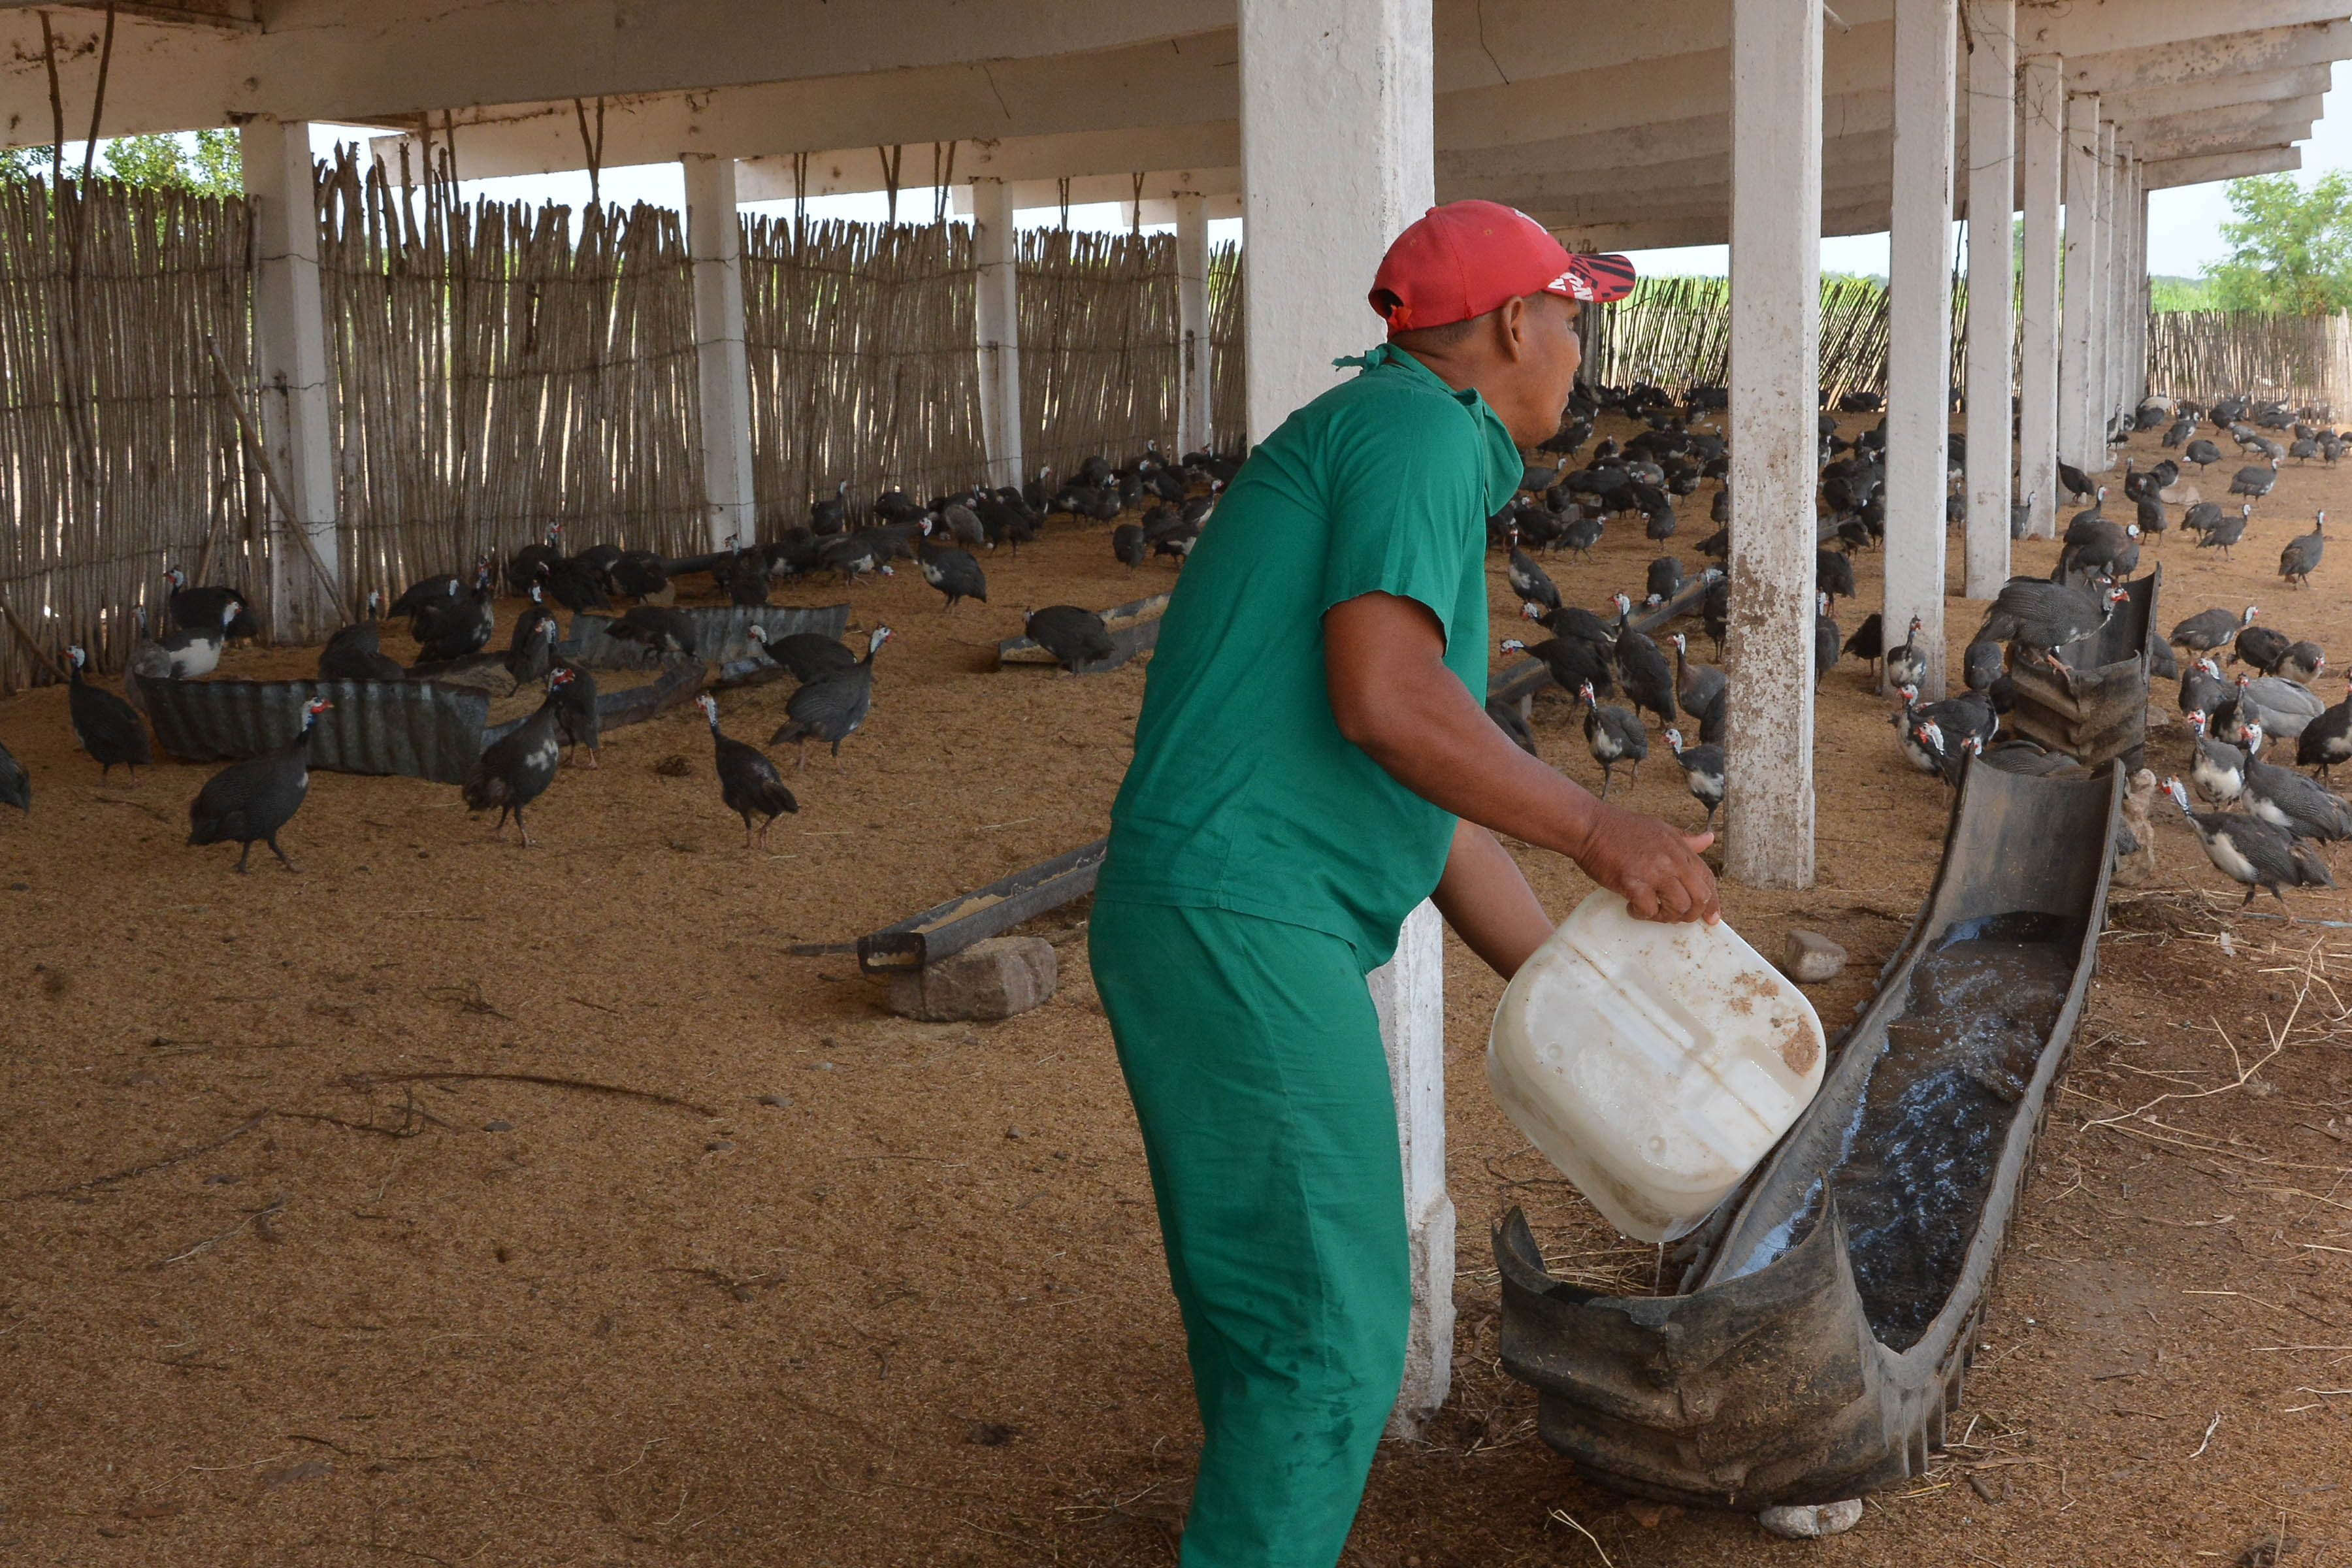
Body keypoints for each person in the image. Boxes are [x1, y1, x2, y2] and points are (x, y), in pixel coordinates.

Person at [1087, 200, 1721, 1567]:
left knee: (1279, 1332)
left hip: (1214, 914)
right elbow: (1389, 705)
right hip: (1248, 920)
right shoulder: (1426, 434)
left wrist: (1582, 991)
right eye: (1571, 318)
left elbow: (1422, 797)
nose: (1577, 349)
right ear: (1510, 325)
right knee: (1327, 1341)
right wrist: (1601, 830)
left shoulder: (1387, 438)